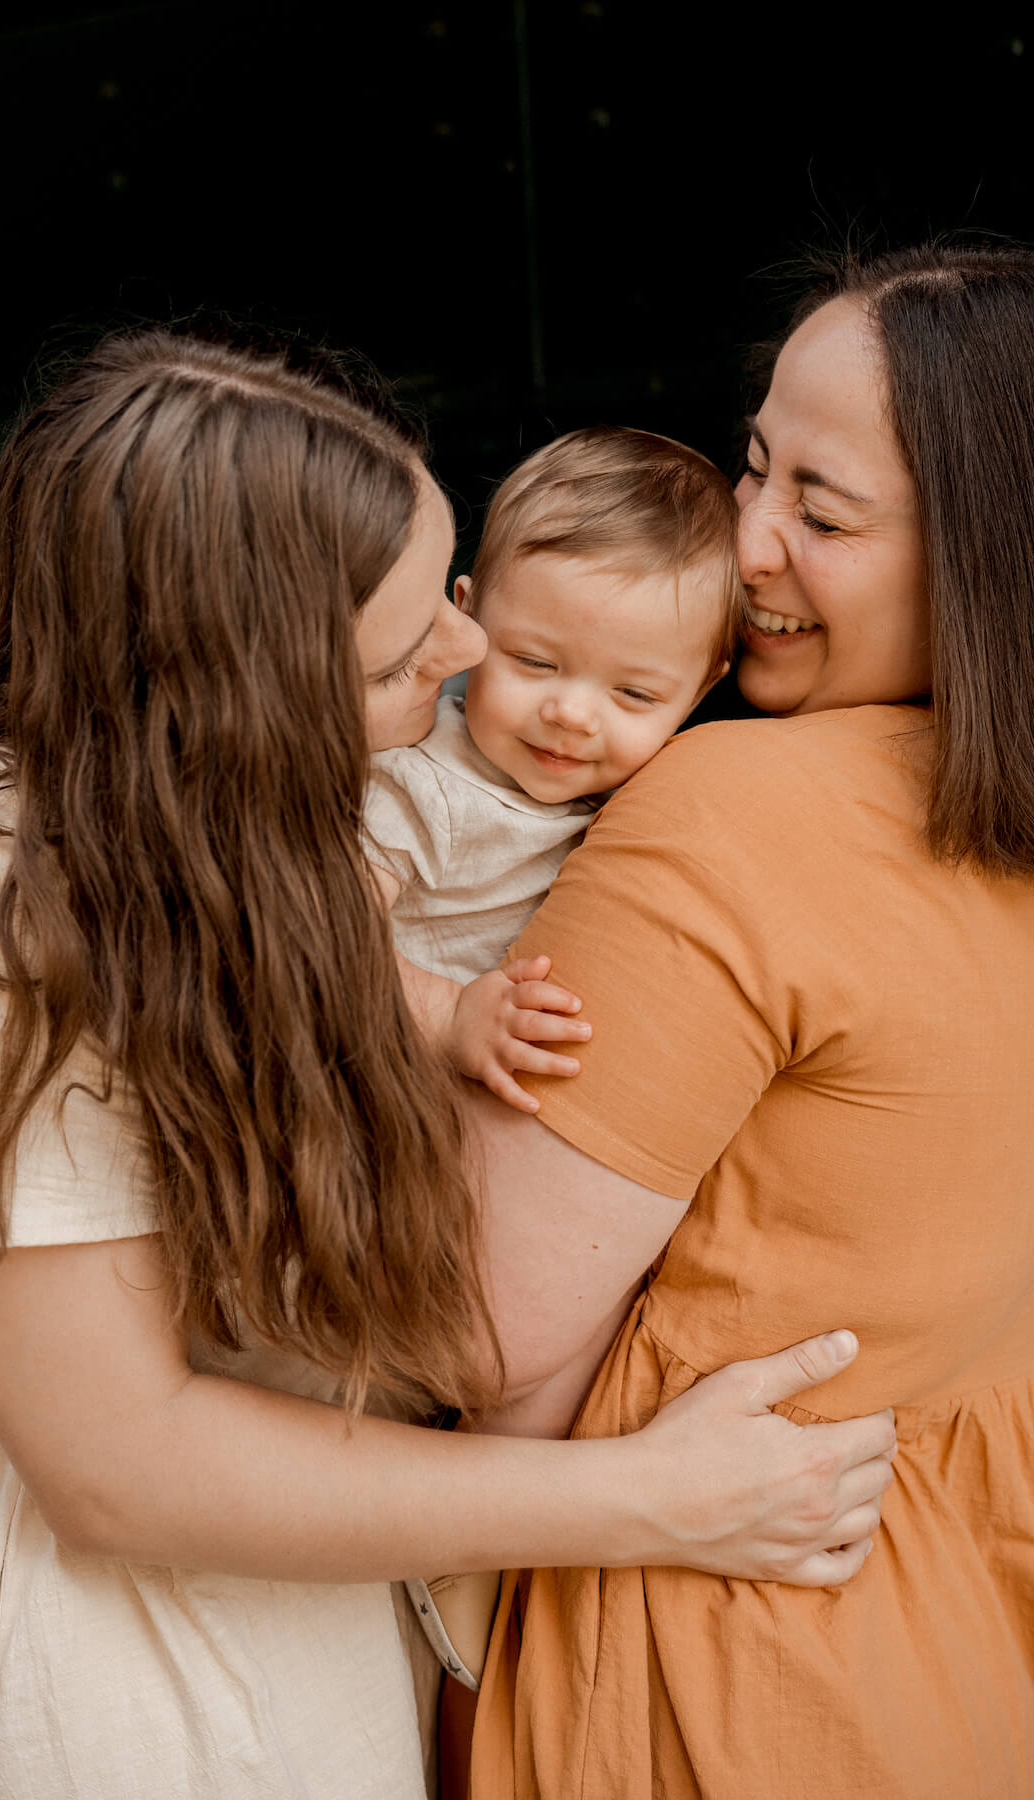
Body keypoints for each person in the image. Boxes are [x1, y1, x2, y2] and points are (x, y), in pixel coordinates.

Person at [0, 328, 896, 1800]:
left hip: (316, 1573)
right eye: (409, 654)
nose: (466, 662)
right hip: (94, 1663)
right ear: (227, 678)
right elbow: (114, 1465)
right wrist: (648, 1498)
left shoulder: (230, 793)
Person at [466, 242, 1034, 1799]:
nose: (748, 542)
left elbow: (483, 1336)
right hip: (962, 1658)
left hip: (703, 1671)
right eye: (754, 466)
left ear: (992, 554)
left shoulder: (729, 812)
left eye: (825, 512)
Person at [366, 426, 740, 1115]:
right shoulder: (425, 783)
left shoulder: (648, 801)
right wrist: (446, 1015)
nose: (571, 713)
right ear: (467, 613)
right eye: (535, 663)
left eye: (635, 695)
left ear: (700, 693)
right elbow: (313, 932)